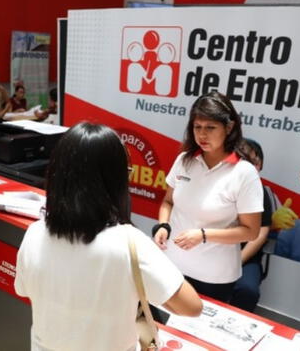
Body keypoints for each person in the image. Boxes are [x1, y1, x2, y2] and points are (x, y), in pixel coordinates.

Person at [15, 122, 202, 351]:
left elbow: (23, 290)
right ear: (115, 181)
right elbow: (191, 306)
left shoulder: (34, 234)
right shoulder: (130, 243)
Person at [153, 91, 263, 303]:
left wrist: (203, 235)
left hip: (214, 276)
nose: (202, 135)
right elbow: (168, 201)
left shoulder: (244, 173)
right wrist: (163, 226)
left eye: (210, 128)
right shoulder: (185, 160)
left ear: (229, 128)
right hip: (172, 265)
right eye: (197, 127)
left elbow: (251, 231)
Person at [228, 139, 273, 312]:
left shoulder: (261, 192)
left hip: (245, 258)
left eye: (252, 162)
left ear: (259, 164)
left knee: (247, 290)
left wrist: (237, 260)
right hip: (213, 252)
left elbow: (261, 234)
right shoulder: (220, 185)